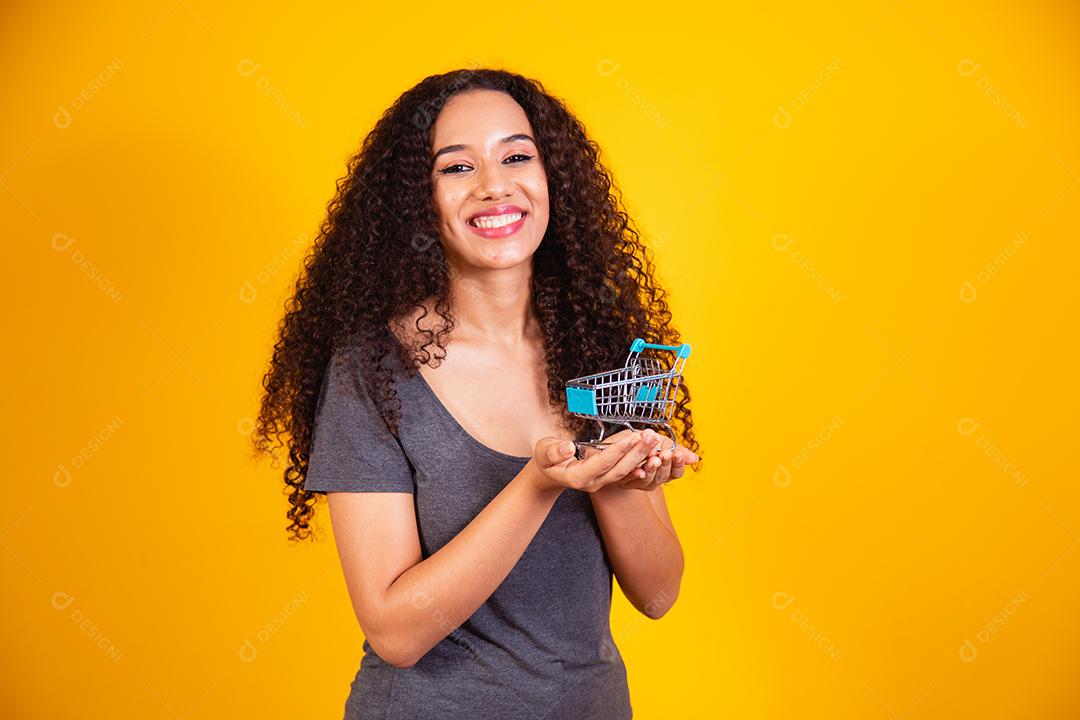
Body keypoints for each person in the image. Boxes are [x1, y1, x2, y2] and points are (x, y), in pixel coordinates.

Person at [253, 67, 702, 720]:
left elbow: (659, 594)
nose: (496, 186)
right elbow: (395, 631)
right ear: (418, 199)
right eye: (456, 167)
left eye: (517, 156)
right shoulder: (372, 372)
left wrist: (619, 481)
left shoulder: (604, 352)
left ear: (554, 180)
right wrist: (538, 484)